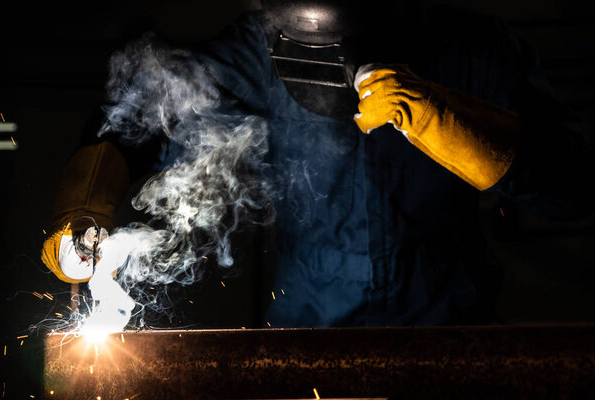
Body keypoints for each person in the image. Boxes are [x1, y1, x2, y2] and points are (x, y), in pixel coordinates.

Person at [41, 0, 595, 327]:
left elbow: (573, 183)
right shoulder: (257, 49)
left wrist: (445, 119)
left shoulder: (476, 48)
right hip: (310, 319)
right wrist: (85, 204)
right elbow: (143, 110)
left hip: (446, 315)